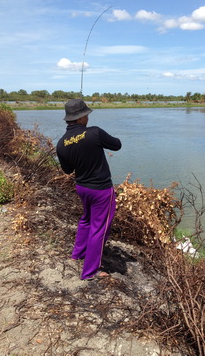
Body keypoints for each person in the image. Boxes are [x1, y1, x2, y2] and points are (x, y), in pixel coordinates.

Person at [56, 99, 122, 280]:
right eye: (86, 114)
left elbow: (68, 170)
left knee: (86, 220)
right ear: (80, 118)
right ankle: (90, 271)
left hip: (82, 188)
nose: (87, 117)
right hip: (101, 190)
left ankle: (77, 254)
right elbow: (117, 144)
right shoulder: (95, 133)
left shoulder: (61, 144)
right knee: (99, 229)